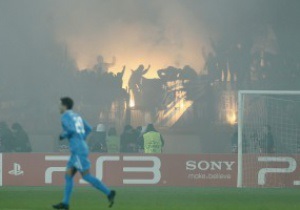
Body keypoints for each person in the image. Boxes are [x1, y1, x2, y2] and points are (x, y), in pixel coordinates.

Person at [52, 97, 116, 210]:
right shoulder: (77, 116)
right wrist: (82, 139)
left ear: (65, 106)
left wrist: (63, 135)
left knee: (85, 176)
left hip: (77, 150)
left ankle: (108, 192)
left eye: (60, 105)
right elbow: (89, 128)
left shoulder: (65, 116)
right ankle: (65, 203)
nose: (58, 107)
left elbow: (71, 130)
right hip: (80, 148)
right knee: (69, 175)